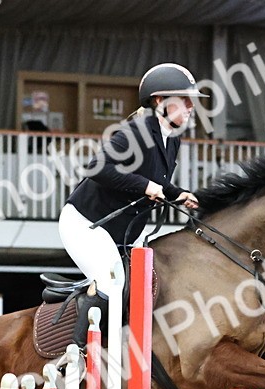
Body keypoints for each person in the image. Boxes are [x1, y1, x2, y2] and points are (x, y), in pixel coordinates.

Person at [58, 63, 206, 296]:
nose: (191, 106)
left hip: (122, 231)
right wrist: (146, 186)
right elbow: (97, 168)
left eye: (192, 100)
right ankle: (80, 335)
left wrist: (177, 193)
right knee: (112, 288)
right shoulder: (137, 131)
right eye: (184, 99)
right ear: (159, 101)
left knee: (142, 290)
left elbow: (157, 179)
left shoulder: (173, 137)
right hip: (87, 224)